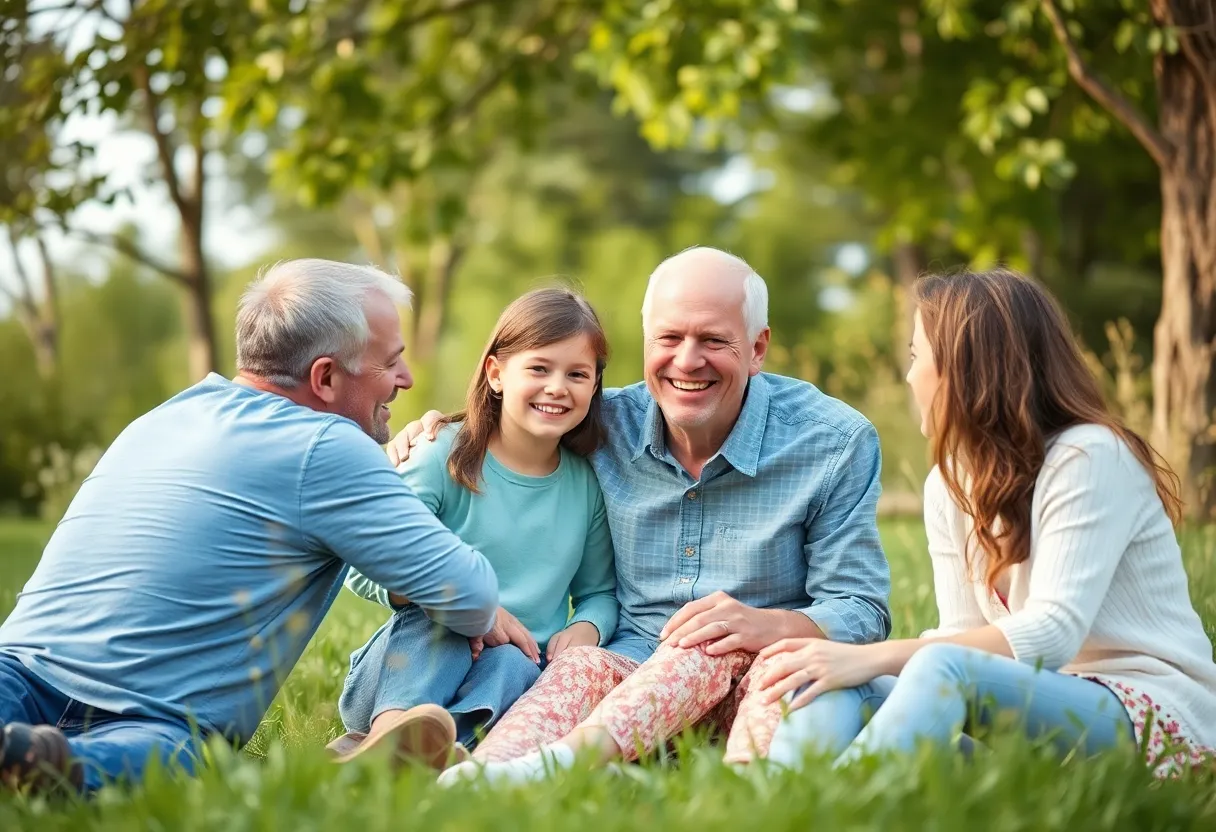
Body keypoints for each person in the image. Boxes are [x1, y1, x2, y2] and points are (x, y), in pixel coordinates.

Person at [388, 247, 892, 785]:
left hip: (759, 674)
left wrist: (764, 624)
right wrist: (435, 433)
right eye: (670, 339)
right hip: (630, 677)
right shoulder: (600, 423)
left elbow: (862, 609)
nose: (688, 360)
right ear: (647, 339)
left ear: (758, 348)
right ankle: (488, 777)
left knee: (714, 647)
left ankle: (742, 790)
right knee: (578, 667)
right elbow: (515, 420)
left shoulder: (833, 441)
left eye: (714, 340)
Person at [0, 259, 500, 794]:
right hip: (153, 721)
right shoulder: (326, 445)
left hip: (18, 672)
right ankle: (50, 767)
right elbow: (469, 595)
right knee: (179, 759)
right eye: (390, 363)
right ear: (325, 377)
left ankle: (28, 757)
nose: (407, 379)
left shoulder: (166, 416)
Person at [760, 267, 1216, 777]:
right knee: (840, 680)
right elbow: (963, 634)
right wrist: (856, 666)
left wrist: (878, 655)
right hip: (1035, 732)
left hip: (1153, 722)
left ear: (966, 365)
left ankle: (841, 810)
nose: (909, 376)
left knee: (925, 665)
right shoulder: (949, 484)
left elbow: (1051, 633)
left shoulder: (1089, 457)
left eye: (917, 357)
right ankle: (784, 799)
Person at [328, 288, 618, 764]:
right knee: (443, 621)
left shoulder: (585, 486)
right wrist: (471, 605)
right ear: (497, 373)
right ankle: (385, 735)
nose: (557, 387)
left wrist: (587, 626)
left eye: (577, 374)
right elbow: (363, 565)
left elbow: (599, 592)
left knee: (516, 662)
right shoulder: (442, 454)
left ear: (594, 387)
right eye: (539, 368)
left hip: (501, 675)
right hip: (399, 674)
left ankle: (448, 752)